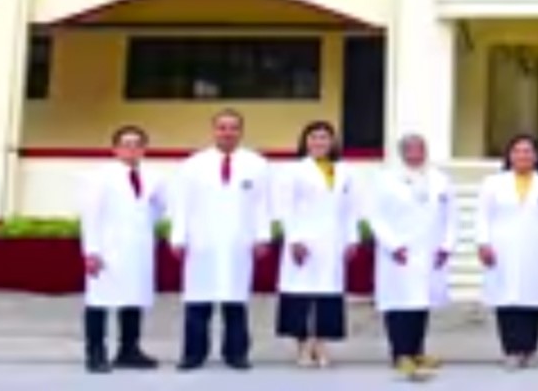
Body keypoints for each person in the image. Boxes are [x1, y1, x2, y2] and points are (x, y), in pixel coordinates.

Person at [171, 108, 273, 372]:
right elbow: (181, 204)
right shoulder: (193, 164)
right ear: (214, 130)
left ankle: (236, 353)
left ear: (241, 131)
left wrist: (262, 236)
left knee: (235, 301)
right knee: (198, 300)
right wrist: (178, 237)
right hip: (201, 242)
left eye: (233, 127)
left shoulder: (257, 164)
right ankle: (193, 354)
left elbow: (263, 204)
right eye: (222, 127)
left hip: (239, 241)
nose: (228, 133)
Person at [367, 132, 457, 382]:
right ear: (402, 153)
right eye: (410, 149)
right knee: (399, 304)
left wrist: (446, 245)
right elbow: (376, 216)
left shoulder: (440, 179)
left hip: (430, 250)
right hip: (399, 252)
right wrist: (393, 245)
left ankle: (417, 351)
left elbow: (451, 216)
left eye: (420, 149)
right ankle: (400, 353)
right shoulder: (385, 179)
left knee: (421, 303)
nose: (416, 154)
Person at [79, 124, 166, 373]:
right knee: (99, 300)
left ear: (144, 149)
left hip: (137, 248)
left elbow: (159, 207)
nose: (132, 149)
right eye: (126, 144)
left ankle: (129, 350)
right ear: (115, 149)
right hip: (108, 248)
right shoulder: (100, 177)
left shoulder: (153, 178)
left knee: (133, 298)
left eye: (137, 144)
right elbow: (91, 215)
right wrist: (92, 251)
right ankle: (96, 353)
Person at [476, 133, 538, 369]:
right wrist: (483, 243)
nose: (522, 156)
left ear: (537, 156)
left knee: (534, 299)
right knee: (506, 300)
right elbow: (483, 216)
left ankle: (530, 349)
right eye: (517, 151)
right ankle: (511, 350)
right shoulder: (493, 183)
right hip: (502, 247)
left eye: (528, 151)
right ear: (509, 156)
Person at [273, 120, 358, 368]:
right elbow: (285, 207)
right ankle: (302, 345)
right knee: (299, 293)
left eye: (324, 137)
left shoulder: (344, 171)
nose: (319, 142)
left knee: (328, 294)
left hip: (333, 240)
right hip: (304, 240)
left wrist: (351, 239)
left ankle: (321, 343)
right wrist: (294, 239)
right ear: (305, 142)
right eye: (314, 137)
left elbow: (351, 208)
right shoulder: (293, 170)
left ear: (332, 142)